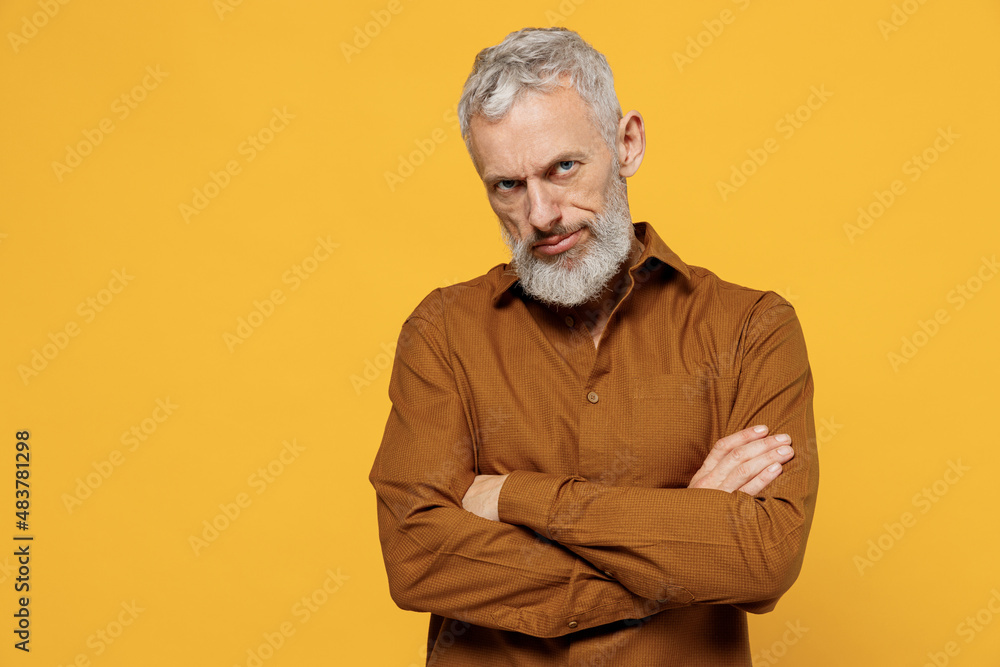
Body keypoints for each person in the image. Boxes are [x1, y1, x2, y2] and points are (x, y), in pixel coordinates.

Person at [370, 26, 819, 666]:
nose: (541, 214)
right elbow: (418, 556)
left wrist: (514, 496)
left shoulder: (751, 328)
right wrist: (683, 543)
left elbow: (764, 557)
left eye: (563, 168)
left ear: (626, 143)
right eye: (507, 185)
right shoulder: (443, 332)